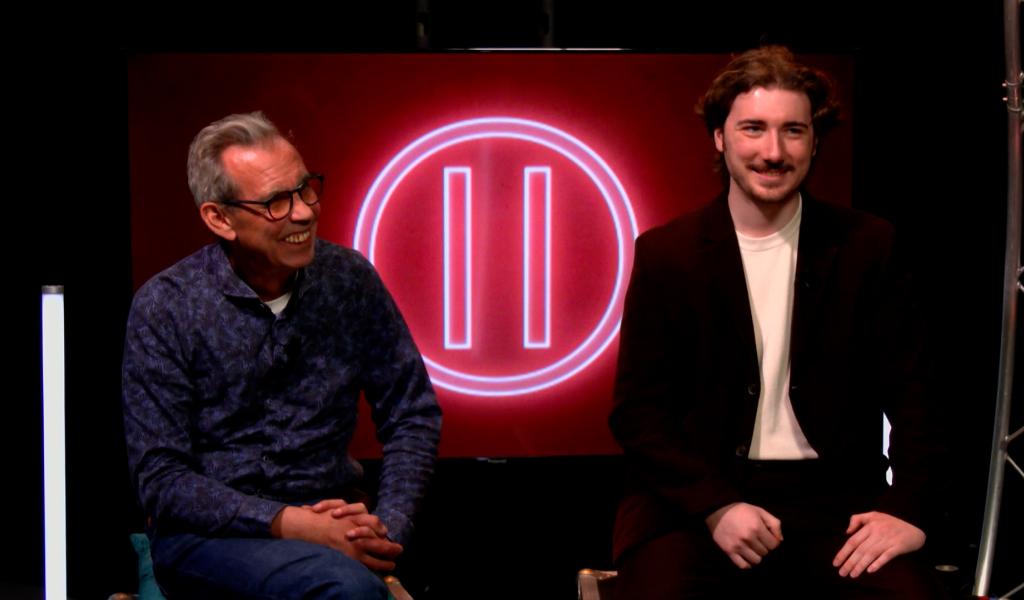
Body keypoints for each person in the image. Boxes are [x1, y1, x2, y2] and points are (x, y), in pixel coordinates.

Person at [609, 47, 946, 598]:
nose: (773, 152)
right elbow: (638, 413)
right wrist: (716, 506)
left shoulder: (868, 246)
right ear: (719, 137)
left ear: (814, 141)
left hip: (837, 507)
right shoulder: (667, 254)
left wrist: (907, 510)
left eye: (793, 131)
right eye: (753, 129)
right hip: (694, 504)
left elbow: (918, 397)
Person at [122, 111, 442, 599]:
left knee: (347, 580)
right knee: (343, 589)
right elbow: (162, 479)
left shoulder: (349, 279)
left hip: (336, 522)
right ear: (219, 218)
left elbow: (412, 413)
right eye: (276, 202)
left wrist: (385, 529)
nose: (304, 213)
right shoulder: (166, 306)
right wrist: (292, 524)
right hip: (208, 538)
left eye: (305, 189)